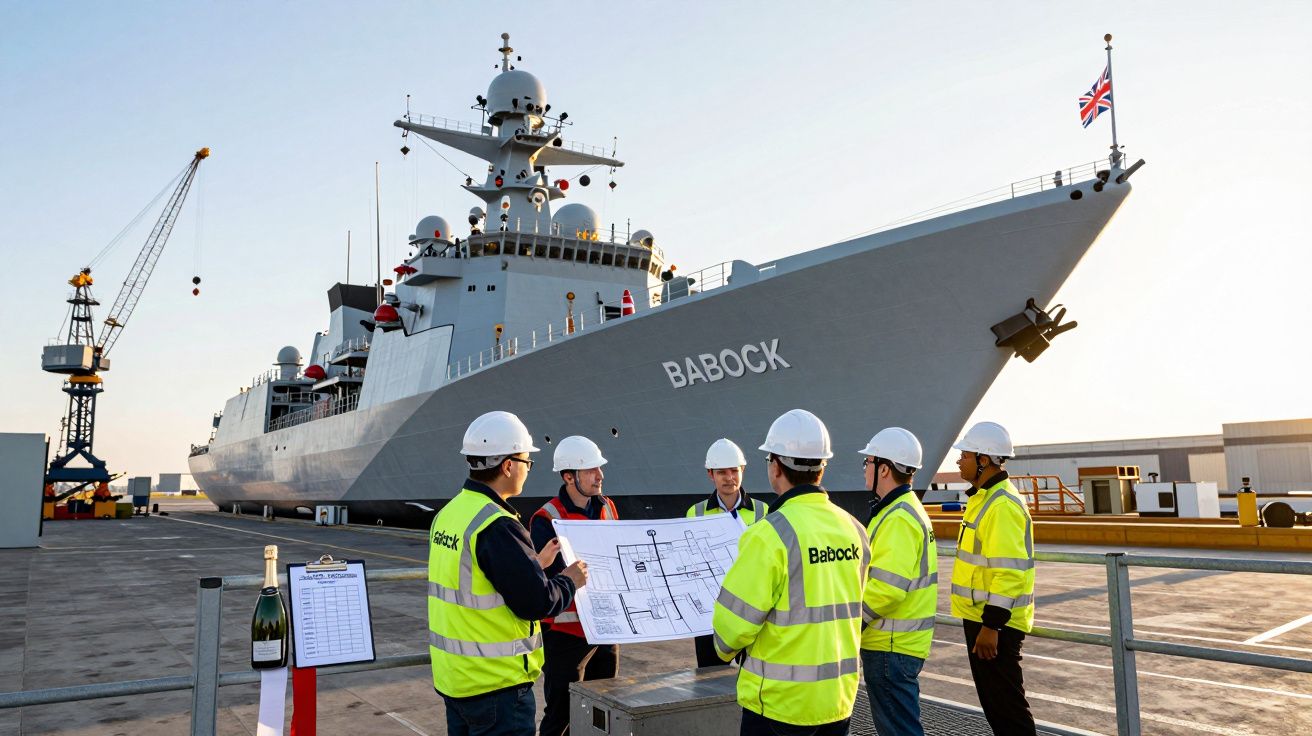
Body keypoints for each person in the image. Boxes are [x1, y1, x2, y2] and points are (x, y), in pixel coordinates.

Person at [428, 411, 589, 736]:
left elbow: (474, 579)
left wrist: (533, 566)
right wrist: (569, 580)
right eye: (527, 462)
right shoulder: (497, 524)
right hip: (496, 688)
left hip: (456, 680)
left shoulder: (449, 514)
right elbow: (537, 603)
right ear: (508, 465)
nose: (528, 469)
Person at [712, 409, 870, 735]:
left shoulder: (768, 535)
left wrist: (723, 648)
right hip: (837, 699)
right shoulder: (854, 529)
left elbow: (732, 629)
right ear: (821, 467)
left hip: (779, 704)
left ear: (775, 466)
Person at [949, 421, 1037, 735]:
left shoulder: (1001, 505)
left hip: (995, 625)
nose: (959, 460)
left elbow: (1009, 572)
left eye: (965, 454)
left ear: (984, 460)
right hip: (983, 619)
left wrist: (991, 626)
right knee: (998, 711)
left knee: (1008, 713)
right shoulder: (984, 499)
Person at [530, 435, 619, 736]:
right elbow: (548, 579)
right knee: (561, 712)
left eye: (599, 469)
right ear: (569, 476)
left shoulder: (608, 507)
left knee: (605, 706)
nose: (600, 476)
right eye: (591, 470)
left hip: (605, 629)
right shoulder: (547, 518)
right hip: (565, 634)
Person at [858, 427, 937, 736]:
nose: (865, 468)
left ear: (885, 469)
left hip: (890, 646)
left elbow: (886, 590)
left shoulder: (899, 517)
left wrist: (852, 624)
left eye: (868, 462)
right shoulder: (902, 510)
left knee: (899, 731)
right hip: (898, 646)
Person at [687, 438, 769, 667]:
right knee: (709, 680)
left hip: (753, 611)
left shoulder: (764, 511)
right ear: (710, 475)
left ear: (742, 470)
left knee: (753, 675)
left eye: (734, 470)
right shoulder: (695, 513)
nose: (729, 477)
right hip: (710, 614)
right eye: (721, 472)